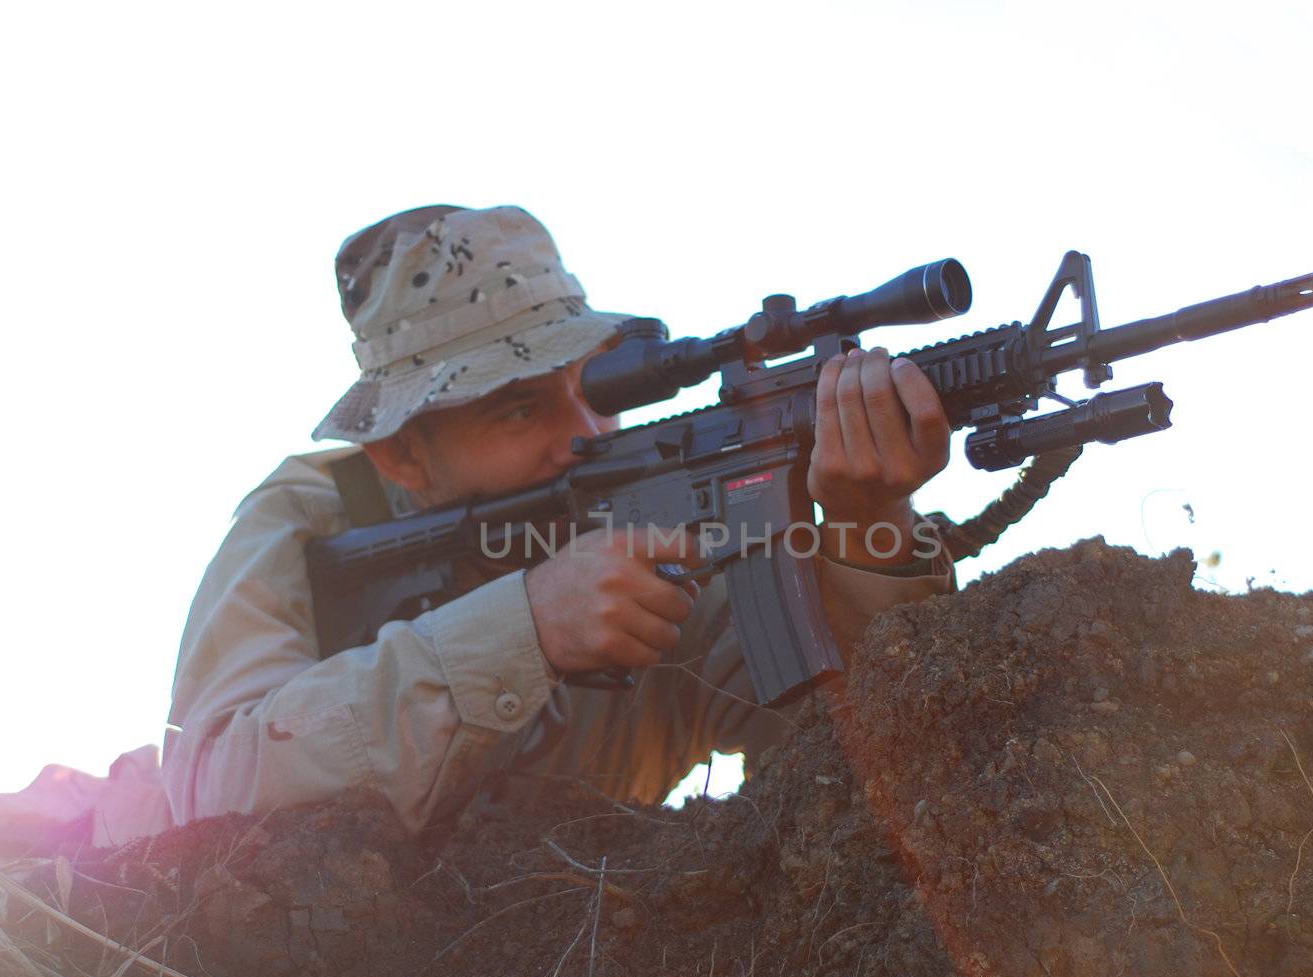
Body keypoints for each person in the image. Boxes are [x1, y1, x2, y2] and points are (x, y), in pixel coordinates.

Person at [161, 204, 956, 833]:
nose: (581, 429)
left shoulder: (657, 522)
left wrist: (865, 533)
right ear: (403, 455)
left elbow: (842, 756)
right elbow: (214, 792)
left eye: (592, 384)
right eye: (518, 407)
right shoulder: (307, 522)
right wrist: (529, 624)